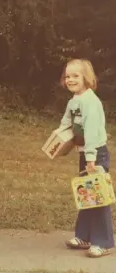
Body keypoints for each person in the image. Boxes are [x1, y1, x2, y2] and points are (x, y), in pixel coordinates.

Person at [58, 58, 114, 257]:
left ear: (86, 78)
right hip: (85, 154)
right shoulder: (74, 101)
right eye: (68, 76)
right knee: (86, 195)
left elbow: (90, 132)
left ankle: (104, 241)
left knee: (98, 197)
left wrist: (91, 159)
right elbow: (66, 123)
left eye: (75, 76)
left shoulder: (90, 102)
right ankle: (84, 236)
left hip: (96, 154)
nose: (70, 79)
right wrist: (57, 140)